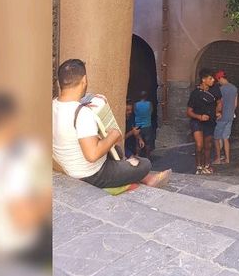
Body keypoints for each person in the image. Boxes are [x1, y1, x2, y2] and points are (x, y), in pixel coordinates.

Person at [52, 59, 170, 189]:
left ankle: (145, 178)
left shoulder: (52, 105)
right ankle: (144, 177)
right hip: (91, 174)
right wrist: (113, 135)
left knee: (117, 151)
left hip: (69, 166)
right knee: (145, 164)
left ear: (60, 82)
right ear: (84, 80)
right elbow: (92, 155)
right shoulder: (82, 113)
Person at [0, 93, 51, 265]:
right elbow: (24, 219)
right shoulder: (12, 164)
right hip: (19, 249)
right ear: (9, 123)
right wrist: (46, 197)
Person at [186, 69, 219, 175]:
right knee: (199, 145)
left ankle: (207, 165)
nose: (213, 80)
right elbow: (189, 112)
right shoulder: (195, 93)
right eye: (210, 78)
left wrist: (218, 112)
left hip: (210, 122)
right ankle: (198, 166)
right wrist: (199, 117)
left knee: (207, 146)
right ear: (203, 80)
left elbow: (218, 103)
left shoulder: (214, 91)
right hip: (197, 122)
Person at [213, 70, 238, 165]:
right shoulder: (234, 88)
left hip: (221, 117)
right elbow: (235, 104)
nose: (218, 82)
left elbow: (220, 104)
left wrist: (217, 112)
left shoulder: (221, 89)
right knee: (226, 138)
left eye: (218, 79)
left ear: (221, 78)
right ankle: (227, 159)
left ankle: (218, 159)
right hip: (230, 116)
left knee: (216, 138)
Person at [133, 92, 155, 159]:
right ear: (146, 97)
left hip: (138, 126)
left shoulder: (135, 104)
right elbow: (151, 111)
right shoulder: (149, 104)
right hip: (147, 125)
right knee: (148, 142)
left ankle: (137, 156)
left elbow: (134, 112)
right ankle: (147, 157)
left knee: (138, 142)